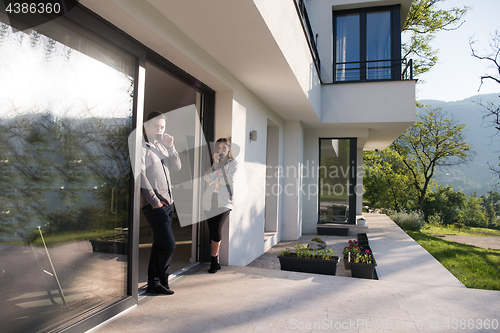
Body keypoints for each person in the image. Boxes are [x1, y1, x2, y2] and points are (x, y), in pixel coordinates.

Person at [141, 111, 181, 294]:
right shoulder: (142, 147)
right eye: (155, 126)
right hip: (155, 205)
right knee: (169, 245)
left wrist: (170, 147)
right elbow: (140, 177)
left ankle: (154, 282)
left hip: (168, 203)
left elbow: (176, 166)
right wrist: (155, 202)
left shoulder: (161, 146)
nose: (159, 130)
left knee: (159, 244)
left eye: (162, 127)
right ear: (146, 125)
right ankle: (161, 278)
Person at [203, 138, 237, 273]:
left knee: (217, 228)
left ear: (228, 149)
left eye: (224, 148)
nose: (221, 150)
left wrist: (215, 178)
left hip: (224, 201)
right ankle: (215, 262)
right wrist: (215, 165)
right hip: (210, 200)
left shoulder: (232, 163)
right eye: (219, 148)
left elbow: (228, 180)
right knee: (212, 230)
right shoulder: (213, 164)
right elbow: (206, 178)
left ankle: (213, 258)